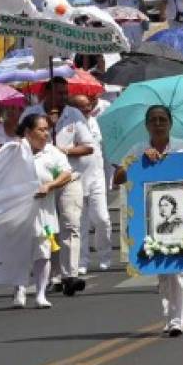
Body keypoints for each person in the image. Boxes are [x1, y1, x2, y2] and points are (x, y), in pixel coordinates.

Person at [113, 105, 183, 336]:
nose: (158, 124)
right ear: (147, 125)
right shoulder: (138, 149)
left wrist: (172, 161)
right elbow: (117, 178)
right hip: (151, 220)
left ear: (170, 123)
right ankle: (169, 317)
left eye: (162, 119)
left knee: (180, 270)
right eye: (154, 120)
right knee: (163, 271)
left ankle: (178, 321)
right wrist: (139, 161)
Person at [21, 77, 95, 295]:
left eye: (65, 93)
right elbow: (20, 141)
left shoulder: (74, 115)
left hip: (69, 177)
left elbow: (88, 147)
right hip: (41, 181)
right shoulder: (32, 114)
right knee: (49, 228)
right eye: (59, 93)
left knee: (71, 223)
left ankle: (70, 274)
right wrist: (45, 131)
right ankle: (53, 276)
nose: (63, 97)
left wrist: (65, 151)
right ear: (46, 92)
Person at [13, 114, 74, 310]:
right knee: (19, 252)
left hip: (43, 210)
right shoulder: (14, 150)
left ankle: (40, 293)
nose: (46, 133)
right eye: (41, 129)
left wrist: (50, 185)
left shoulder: (52, 152)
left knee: (43, 251)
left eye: (47, 129)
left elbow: (66, 173)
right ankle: (19, 289)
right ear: (28, 132)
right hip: (17, 211)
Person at [72, 95, 112, 274]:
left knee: (102, 218)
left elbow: (105, 150)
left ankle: (105, 255)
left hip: (97, 177)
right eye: (81, 107)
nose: (86, 110)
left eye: (88, 106)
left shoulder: (97, 122)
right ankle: (82, 261)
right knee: (80, 223)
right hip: (76, 178)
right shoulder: (69, 126)